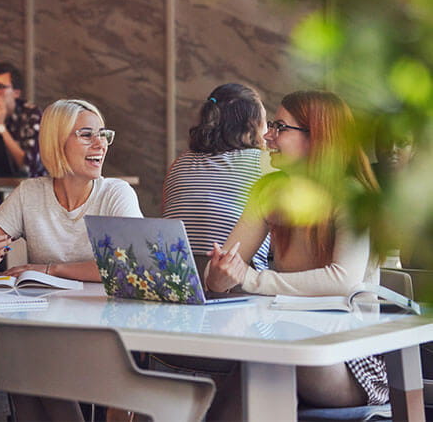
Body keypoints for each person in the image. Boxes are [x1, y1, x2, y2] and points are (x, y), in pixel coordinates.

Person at [0, 99, 142, 421]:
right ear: (57, 142)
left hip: (104, 332)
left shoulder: (116, 193)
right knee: (21, 354)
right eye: (86, 135)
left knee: (30, 358)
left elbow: (127, 267)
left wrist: (48, 270)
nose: (100, 144)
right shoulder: (31, 193)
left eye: (103, 134)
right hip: (46, 331)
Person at [206, 90, 385, 409]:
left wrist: (249, 279)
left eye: (279, 127)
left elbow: (343, 281)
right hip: (284, 338)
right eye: (270, 126)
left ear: (316, 137)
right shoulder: (269, 191)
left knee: (263, 359)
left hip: (348, 359)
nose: (267, 135)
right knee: (257, 359)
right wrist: (220, 274)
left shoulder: (351, 196)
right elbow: (221, 274)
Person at [162, 83, 271, 273]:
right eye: (266, 122)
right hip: (235, 279)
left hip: (178, 276)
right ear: (252, 125)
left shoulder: (179, 162)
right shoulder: (264, 162)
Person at [0, 62, 46, 177]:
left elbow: (27, 167)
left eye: (0, 87)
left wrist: (1, 127)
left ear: (16, 93)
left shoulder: (31, 115)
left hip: (26, 188)